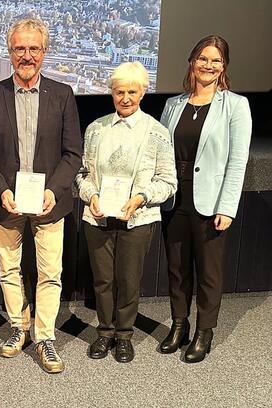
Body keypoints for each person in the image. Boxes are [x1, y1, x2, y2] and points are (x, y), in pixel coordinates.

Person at [0, 18, 82, 374]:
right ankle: (18, 328)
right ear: (10, 52)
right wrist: (1, 190)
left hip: (50, 202)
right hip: (6, 202)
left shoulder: (62, 95)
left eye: (34, 48)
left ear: (44, 52)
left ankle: (45, 337)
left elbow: (73, 153)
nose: (27, 55)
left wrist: (54, 190)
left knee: (50, 272)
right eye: (20, 48)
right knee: (9, 269)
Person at [75, 62, 177, 363]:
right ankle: (104, 332)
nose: (126, 98)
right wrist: (91, 195)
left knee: (129, 281)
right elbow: (82, 174)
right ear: (111, 93)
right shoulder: (96, 129)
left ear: (143, 93)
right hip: (98, 216)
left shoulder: (157, 133)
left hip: (138, 219)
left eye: (132, 92)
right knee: (103, 280)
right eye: (120, 92)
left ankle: (124, 335)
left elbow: (168, 181)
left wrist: (141, 198)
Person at [159, 35, 252, 363]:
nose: (208, 65)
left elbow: (237, 161)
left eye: (215, 60)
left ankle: (204, 331)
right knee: (177, 268)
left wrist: (228, 206)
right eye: (202, 58)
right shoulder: (173, 105)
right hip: (175, 197)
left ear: (223, 66)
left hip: (211, 202)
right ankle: (179, 325)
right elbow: (160, 152)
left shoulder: (235, 105)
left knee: (209, 272)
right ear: (192, 61)